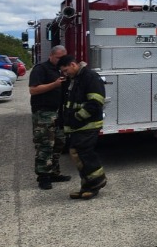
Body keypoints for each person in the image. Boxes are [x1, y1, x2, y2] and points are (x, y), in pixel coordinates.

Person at [58, 55, 107, 200]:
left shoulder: (90, 77)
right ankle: (86, 186)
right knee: (78, 154)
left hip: (88, 124)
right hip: (79, 125)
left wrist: (77, 117)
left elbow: (96, 102)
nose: (65, 74)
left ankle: (97, 183)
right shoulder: (76, 78)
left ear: (73, 65)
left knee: (83, 154)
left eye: (66, 70)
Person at [28, 45, 71, 190]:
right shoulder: (41, 69)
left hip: (58, 112)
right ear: (51, 56)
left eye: (63, 58)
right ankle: (43, 177)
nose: (61, 60)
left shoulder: (61, 70)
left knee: (59, 143)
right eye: (59, 58)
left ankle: (54, 172)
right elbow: (33, 90)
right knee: (45, 144)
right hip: (43, 113)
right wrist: (55, 84)